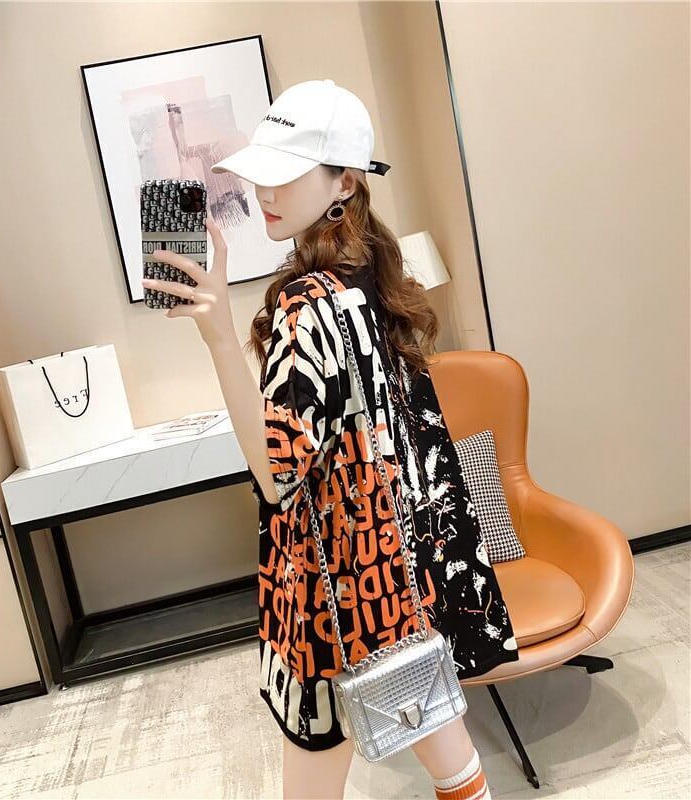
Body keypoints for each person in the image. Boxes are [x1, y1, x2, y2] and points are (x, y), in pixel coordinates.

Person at [142, 79, 519, 800]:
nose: (265, 191)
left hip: (332, 589)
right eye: (261, 172)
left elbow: (277, 474)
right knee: (448, 750)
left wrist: (218, 335)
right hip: (392, 568)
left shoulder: (305, 306)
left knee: (319, 772)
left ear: (345, 182)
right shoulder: (368, 280)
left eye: (286, 172)